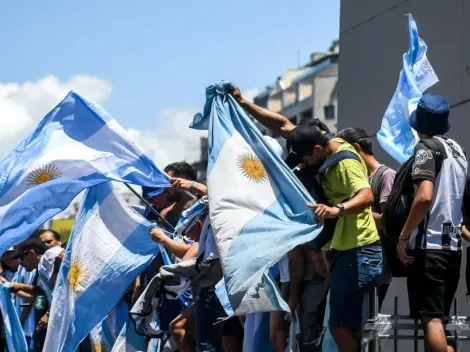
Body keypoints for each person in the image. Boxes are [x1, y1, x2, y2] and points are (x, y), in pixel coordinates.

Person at [230, 85, 382, 352]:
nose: (304, 163)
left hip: (359, 250)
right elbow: (284, 125)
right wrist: (244, 103)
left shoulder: (344, 163)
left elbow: (367, 195)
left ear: (317, 148)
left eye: (306, 157)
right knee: (340, 326)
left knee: (341, 326)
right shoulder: (319, 141)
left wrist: (338, 210)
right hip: (344, 251)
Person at [397, 94, 467, 352]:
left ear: (418, 125)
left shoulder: (426, 149)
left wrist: (404, 237)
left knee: (432, 320)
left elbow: (424, 196)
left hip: (429, 248)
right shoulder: (458, 152)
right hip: (453, 249)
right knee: (436, 322)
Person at [336, 127, 396, 310]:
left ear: (355, 148)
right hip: (354, 258)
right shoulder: (358, 178)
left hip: (377, 263)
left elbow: (388, 223)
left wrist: (355, 208)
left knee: (367, 322)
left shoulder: (386, 175)